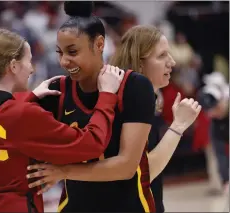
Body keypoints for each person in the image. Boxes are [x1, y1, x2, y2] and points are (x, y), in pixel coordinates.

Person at [0, 2, 201, 213]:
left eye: (72, 51)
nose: (63, 61)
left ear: (99, 44)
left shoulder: (135, 86)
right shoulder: (54, 91)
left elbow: (127, 167)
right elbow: (12, 144)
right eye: (60, 52)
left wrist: (62, 171)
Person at [25, 10, 201, 213]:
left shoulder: (143, 95)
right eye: (162, 56)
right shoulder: (72, 90)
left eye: (71, 52)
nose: (172, 62)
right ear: (140, 62)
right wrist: (177, 127)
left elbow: (134, 169)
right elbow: (142, 170)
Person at [0, 28, 124, 213]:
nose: (32, 68)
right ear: (14, 66)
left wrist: (29, 97)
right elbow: (91, 144)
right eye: (29, 60)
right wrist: (106, 96)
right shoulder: (22, 114)